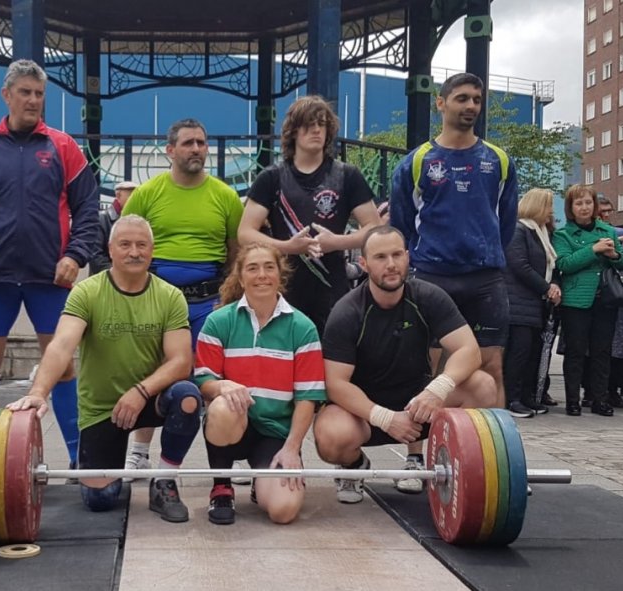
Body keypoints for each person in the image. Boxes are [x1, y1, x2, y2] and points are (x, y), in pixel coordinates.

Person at [0, 59, 99, 470]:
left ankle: (78, 457)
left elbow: (88, 208)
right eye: (25, 92)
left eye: (39, 94)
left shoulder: (63, 146)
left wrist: (75, 255)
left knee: (62, 363)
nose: (33, 100)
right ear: (7, 95)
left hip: (50, 275)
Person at [8, 215, 202, 522]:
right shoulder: (87, 292)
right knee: (100, 500)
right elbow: (61, 345)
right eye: (125, 245)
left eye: (141, 245)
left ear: (152, 250)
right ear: (110, 249)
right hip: (103, 409)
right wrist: (38, 392)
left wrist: (140, 392)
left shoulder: (170, 296)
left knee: (188, 397)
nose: (134, 252)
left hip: (149, 399)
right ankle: (109, 469)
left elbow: (181, 361)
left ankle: (164, 481)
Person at [389, 72, 517, 487]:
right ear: (441, 104)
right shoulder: (417, 162)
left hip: (485, 278)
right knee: (423, 368)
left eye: (477, 99)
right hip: (431, 276)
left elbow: (507, 223)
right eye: (462, 98)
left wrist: (486, 254)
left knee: (492, 367)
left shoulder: (498, 160)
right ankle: (415, 458)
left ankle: (497, 461)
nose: (471, 106)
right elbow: (401, 226)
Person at [313, 226, 496, 504]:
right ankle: (354, 467)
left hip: (419, 405)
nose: (391, 264)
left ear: (408, 257)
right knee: (330, 435)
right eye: (380, 257)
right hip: (366, 413)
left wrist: (437, 389)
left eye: (397, 255)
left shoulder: (428, 296)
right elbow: (335, 384)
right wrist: (385, 418)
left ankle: (435, 462)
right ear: (364, 263)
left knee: (483, 386)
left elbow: (469, 350)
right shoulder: (347, 312)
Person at [120, 119, 243, 477]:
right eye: (188, 143)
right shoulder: (147, 194)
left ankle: (227, 455)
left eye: (202, 143)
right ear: (170, 150)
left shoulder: (225, 196)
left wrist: (227, 300)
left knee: (214, 378)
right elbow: (125, 245)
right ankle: (140, 452)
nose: (196, 149)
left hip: (209, 303)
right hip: (156, 302)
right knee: (151, 373)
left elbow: (236, 252)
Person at [194, 243, 326, 525]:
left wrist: (292, 448)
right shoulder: (218, 321)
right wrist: (221, 386)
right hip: (234, 423)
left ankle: (261, 482)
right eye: (252, 268)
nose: (262, 275)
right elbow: (204, 380)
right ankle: (221, 487)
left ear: (280, 275)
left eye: (269, 267)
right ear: (241, 278)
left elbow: (308, 397)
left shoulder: (303, 328)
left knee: (283, 511)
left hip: (275, 432)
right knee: (221, 408)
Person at [238, 95, 381, 336]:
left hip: (332, 285)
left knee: (333, 351)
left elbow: (375, 229)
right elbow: (245, 233)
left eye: (322, 124)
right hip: (284, 286)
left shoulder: (347, 175)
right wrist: (288, 247)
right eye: (309, 124)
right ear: (293, 131)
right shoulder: (271, 178)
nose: (316, 130)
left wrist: (337, 242)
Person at [552, 184, 623, 417]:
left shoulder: (608, 231)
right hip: (576, 301)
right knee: (575, 352)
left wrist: (614, 255)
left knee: (602, 352)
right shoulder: (562, 234)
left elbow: (622, 261)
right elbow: (564, 264)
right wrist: (593, 249)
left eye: (588, 202)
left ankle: (599, 399)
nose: (584, 207)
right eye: (579, 203)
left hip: (605, 300)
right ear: (571, 207)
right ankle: (573, 400)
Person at [502, 189, 561, 418]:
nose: (551, 212)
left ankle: (527, 395)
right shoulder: (518, 230)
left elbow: (550, 266)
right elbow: (520, 265)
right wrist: (546, 288)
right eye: (548, 206)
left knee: (532, 353)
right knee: (518, 352)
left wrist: (553, 285)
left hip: (535, 304)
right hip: (518, 303)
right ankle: (512, 398)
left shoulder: (542, 233)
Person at [90, 180, 138, 274]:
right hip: (105, 277)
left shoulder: (138, 221)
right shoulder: (101, 219)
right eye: (131, 196)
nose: (135, 200)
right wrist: (118, 274)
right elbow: (95, 256)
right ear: (118, 196)